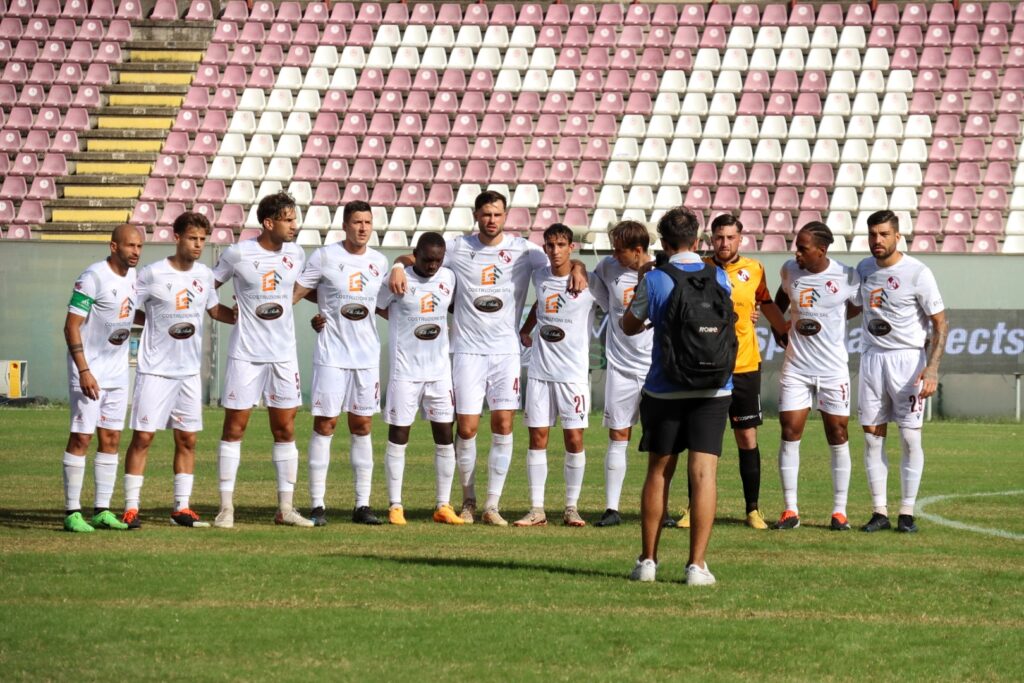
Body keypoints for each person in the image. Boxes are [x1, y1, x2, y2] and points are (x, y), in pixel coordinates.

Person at [388, 191, 586, 526]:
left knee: (504, 425)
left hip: (505, 352)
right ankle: (468, 500)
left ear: (505, 216)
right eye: (485, 214)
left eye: (496, 214)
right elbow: (420, 255)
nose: (491, 219)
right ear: (476, 215)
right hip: (466, 351)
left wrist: (579, 266)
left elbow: (560, 262)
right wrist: (397, 264)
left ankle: (491, 506)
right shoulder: (459, 247)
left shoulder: (524, 251)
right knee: (466, 429)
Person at [621, 207, 735, 586]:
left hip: (666, 387)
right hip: (714, 387)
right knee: (703, 475)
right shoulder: (718, 274)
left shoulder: (655, 279)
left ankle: (648, 561)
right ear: (699, 240)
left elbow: (629, 326)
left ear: (663, 243)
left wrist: (643, 284)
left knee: (659, 471)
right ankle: (696, 566)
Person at [120, 212, 236, 528]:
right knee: (143, 437)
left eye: (202, 240)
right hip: (155, 371)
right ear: (177, 237)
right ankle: (131, 508)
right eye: (192, 238)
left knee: (187, 441)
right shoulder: (151, 274)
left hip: (188, 374)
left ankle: (181, 508)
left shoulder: (205, 276)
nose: (198, 245)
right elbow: (127, 309)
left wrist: (244, 316)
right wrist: (153, 321)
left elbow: (214, 310)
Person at [677, 214, 787, 530]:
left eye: (730, 238)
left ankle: (752, 510)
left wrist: (785, 330)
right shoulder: (698, 268)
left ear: (741, 239)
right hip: (705, 365)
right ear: (711, 239)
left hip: (743, 366)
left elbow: (765, 303)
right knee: (699, 440)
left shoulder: (754, 270)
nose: (724, 243)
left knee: (746, 436)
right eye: (719, 237)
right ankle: (690, 509)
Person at [212, 192, 312, 528]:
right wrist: (226, 314)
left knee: (285, 429)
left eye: (294, 219)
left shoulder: (297, 254)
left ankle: (285, 509)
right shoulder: (238, 254)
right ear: (269, 223)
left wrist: (291, 300)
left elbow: (306, 286)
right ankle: (226, 508)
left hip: (283, 356)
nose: (294, 226)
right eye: (288, 220)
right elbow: (205, 287)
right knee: (234, 428)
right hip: (246, 356)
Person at [293, 200, 388, 526]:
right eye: (356, 222)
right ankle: (318, 505)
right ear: (345, 225)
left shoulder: (379, 261)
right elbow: (297, 291)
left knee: (362, 427)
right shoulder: (324, 257)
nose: (362, 228)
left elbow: (386, 303)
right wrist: (321, 313)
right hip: (332, 355)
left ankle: (362, 505)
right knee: (325, 425)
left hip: (366, 358)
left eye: (367, 222)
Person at [856, 210, 947, 533]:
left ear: (897, 236)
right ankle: (879, 512)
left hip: (908, 362)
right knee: (871, 438)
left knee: (909, 437)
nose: (877, 241)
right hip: (872, 360)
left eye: (883, 234)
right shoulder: (864, 269)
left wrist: (932, 368)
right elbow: (852, 305)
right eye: (872, 234)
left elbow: (940, 323)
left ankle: (906, 512)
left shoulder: (917, 273)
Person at [773, 222, 862, 531]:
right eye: (796, 246)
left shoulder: (847, 275)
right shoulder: (789, 270)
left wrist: (833, 317)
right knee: (790, 430)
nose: (796, 252)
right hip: (796, 366)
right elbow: (779, 300)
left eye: (803, 248)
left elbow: (856, 307)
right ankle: (790, 510)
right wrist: (778, 326)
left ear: (822, 250)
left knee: (837, 434)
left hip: (833, 368)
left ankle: (839, 512)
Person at [374, 232, 463, 525]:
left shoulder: (448, 278)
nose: (432, 266)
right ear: (415, 253)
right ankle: (395, 505)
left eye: (438, 260)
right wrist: (400, 320)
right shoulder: (398, 278)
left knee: (445, 437)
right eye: (427, 260)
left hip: (439, 372)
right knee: (399, 436)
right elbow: (378, 304)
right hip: (405, 372)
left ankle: (443, 505)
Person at [61, 224, 143, 532]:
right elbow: (71, 326)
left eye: (139, 247)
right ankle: (71, 512)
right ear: (114, 247)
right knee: (82, 436)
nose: (136, 252)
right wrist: (83, 370)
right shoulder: (93, 277)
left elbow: (128, 311)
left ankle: (102, 510)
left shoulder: (134, 278)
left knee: (111, 438)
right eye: (130, 246)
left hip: (118, 371)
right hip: (89, 369)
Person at [515, 224, 596, 528]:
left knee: (574, 439)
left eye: (561, 244)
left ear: (571, 247)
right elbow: (540, 303)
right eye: (550, 245)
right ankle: (537, 509)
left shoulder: (588, 282)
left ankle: (571, 507)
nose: (555, 250)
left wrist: (580, 267)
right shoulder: (540, 276)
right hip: (539, 372)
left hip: (572, 376)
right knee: (537, 438)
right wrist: (527, 328)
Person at [588, 221, 653, 527]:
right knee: (618, 435)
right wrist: (577, 267)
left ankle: (659, 509)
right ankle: (612, 509)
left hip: (657, 370)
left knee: (661, 444)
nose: (614, 255)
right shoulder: (607, 268)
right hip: (621, 369)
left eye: (619, 250)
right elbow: (599, 293)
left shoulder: (659, 273)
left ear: (638, 251)